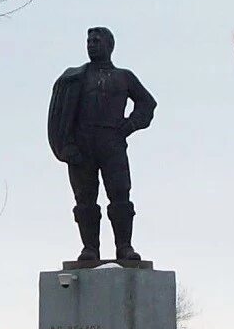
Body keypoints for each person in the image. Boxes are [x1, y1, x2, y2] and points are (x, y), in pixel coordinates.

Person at [48, 27, 157, 262]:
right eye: (88, 41)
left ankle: (124, 247)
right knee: (84, 197)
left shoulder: (124, 77)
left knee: (120, 193)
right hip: (82, 144)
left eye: (96, 40)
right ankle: (90, 249)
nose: (91, 44)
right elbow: (59, 112)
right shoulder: (75, 77)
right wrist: (65, 145)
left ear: (109, 45)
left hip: (112, 142)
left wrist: (130, 125)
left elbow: (147, 103)